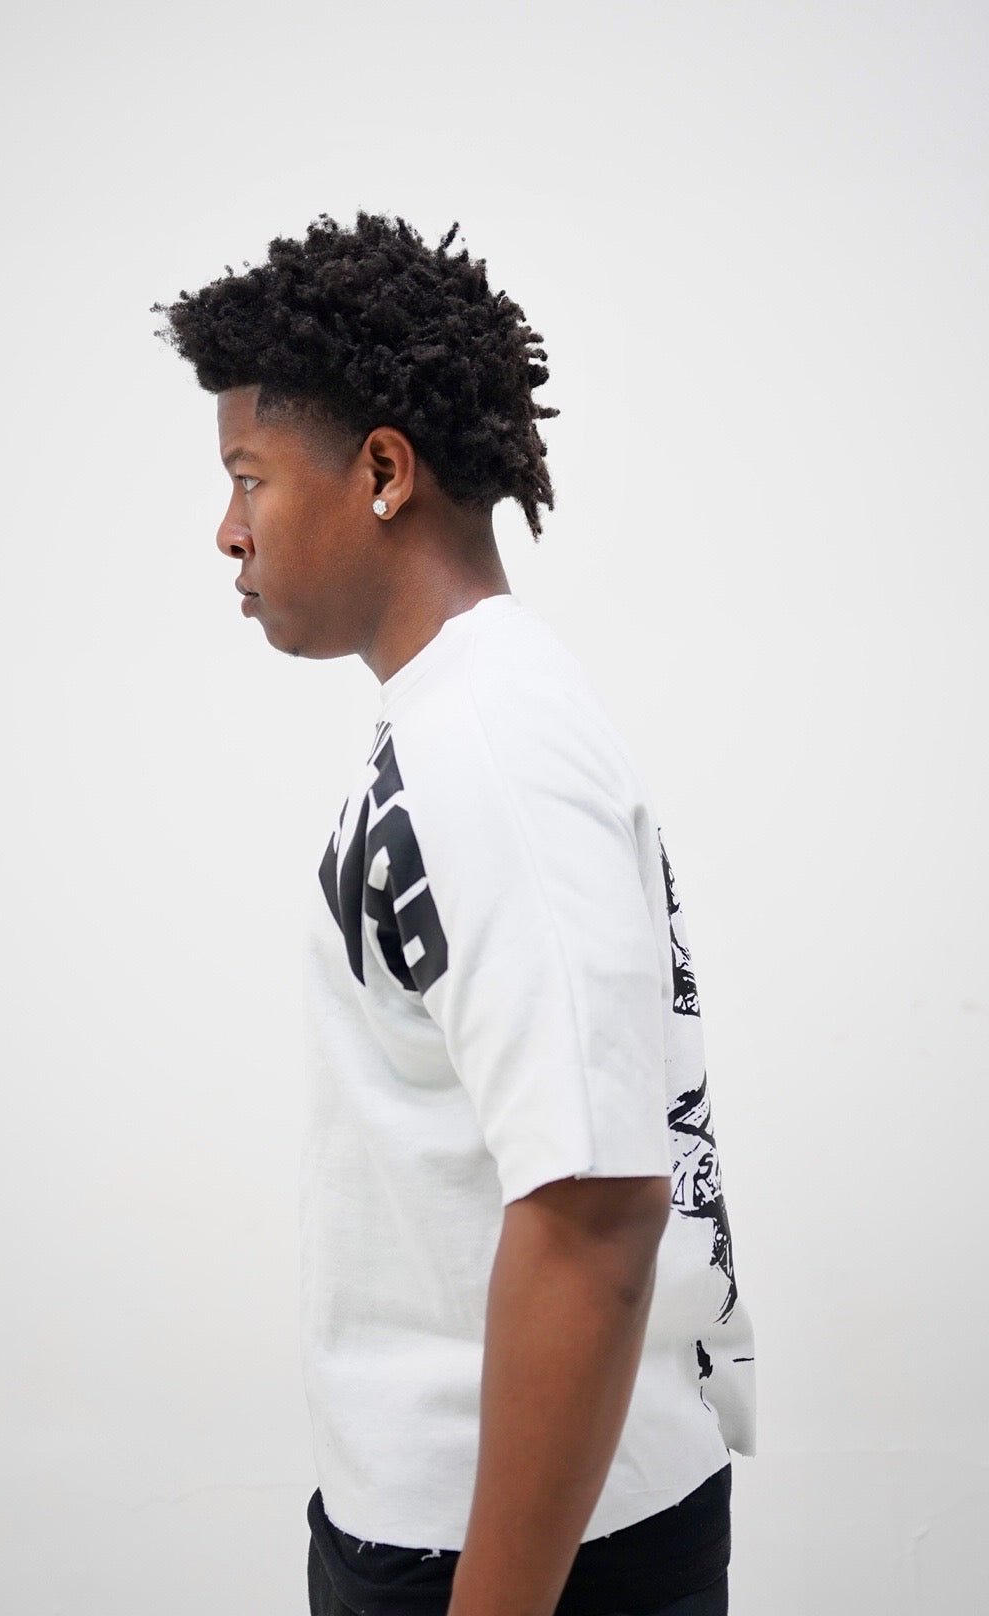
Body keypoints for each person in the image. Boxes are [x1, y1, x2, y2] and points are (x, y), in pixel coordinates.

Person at [150, 209, 756, 1616]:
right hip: (477, 1529)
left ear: (382, 472)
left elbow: (596, 1215)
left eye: (249, 478)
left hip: (523, 1560)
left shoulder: (492, 751)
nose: (228, 531)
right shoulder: (458, 721)